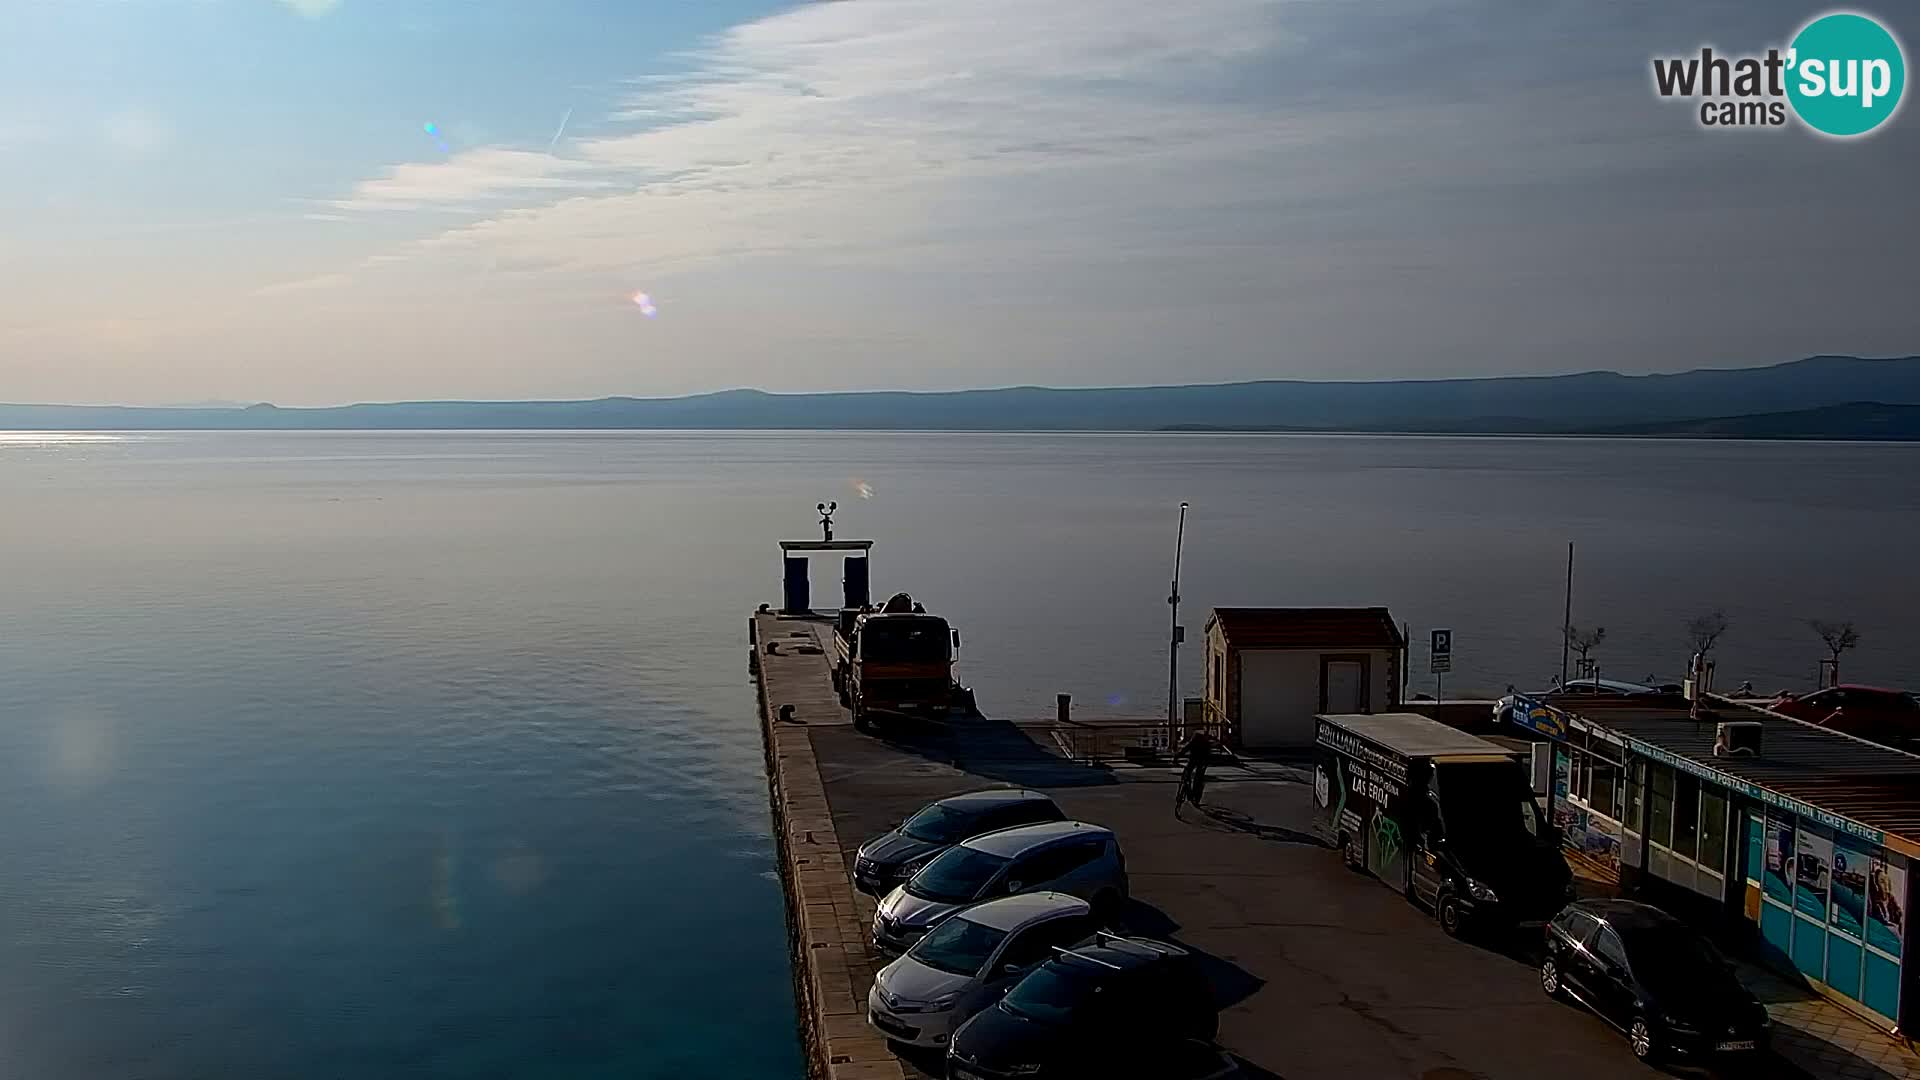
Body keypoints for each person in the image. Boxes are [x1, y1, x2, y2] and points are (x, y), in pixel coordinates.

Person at [1174, 727, 1237, 810]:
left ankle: (1194, 795)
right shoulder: (1201, 743)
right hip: (1198, 760)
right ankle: (1192, 794)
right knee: (1193, 775)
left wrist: (1177, 757)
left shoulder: (1199, 743)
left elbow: (1184, 750)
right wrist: (1178, 756)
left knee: (1195, 776)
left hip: (1200, 760)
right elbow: (1185, 750)